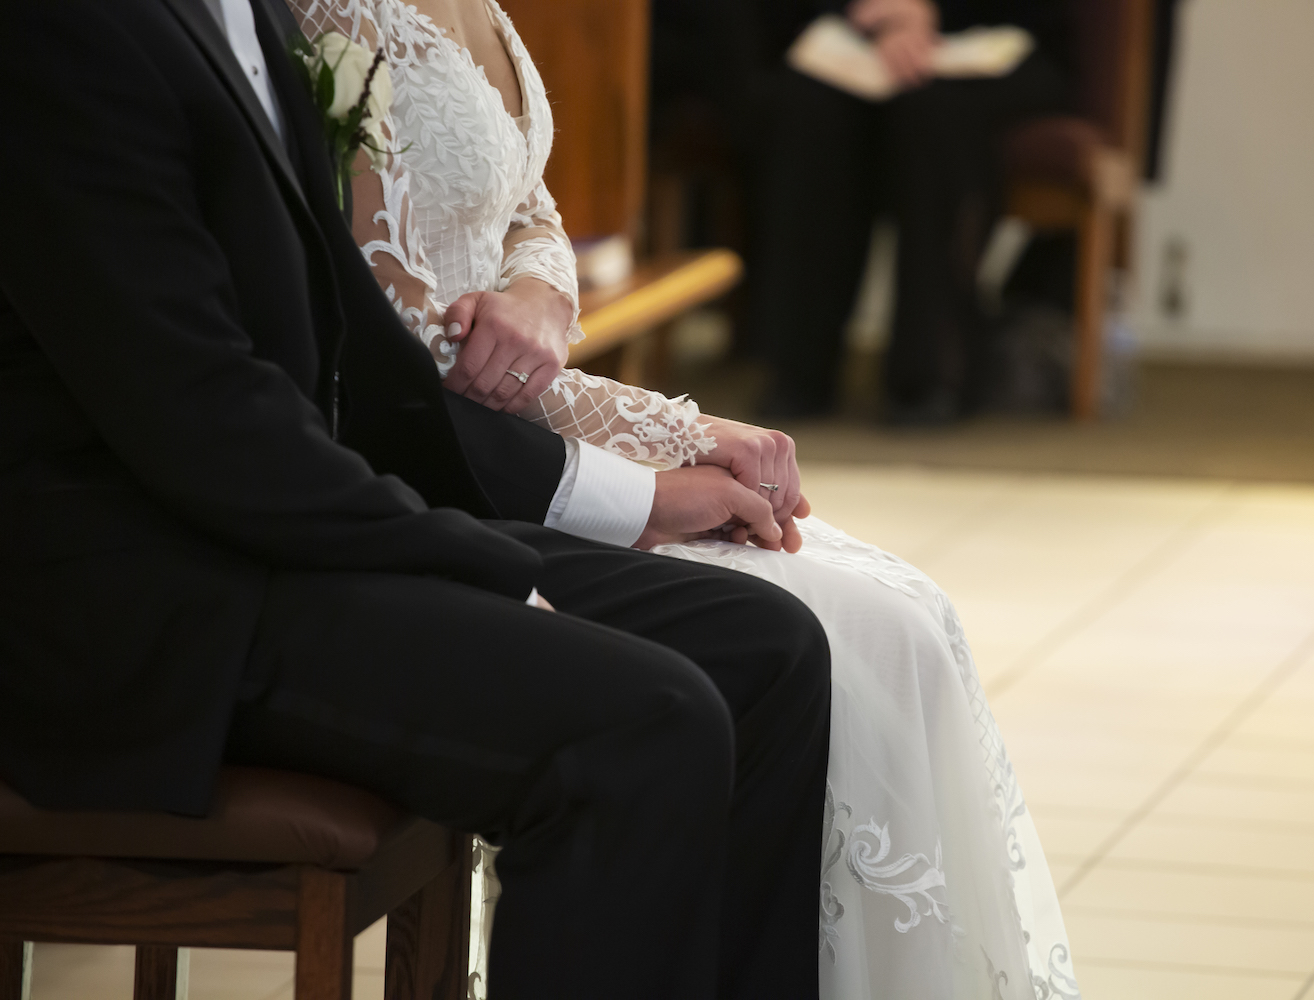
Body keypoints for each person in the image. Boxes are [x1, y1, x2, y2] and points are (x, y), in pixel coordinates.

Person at [0, 1, 833, 997]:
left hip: (271, 527)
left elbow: (356, 354)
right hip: (146, 594)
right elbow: (202, 413)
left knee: (767, 649)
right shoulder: (62, 28)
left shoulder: (246, 13)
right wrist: (470, 562)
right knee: (644, 725)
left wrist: (629, 494)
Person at [288, 1, 1081, 996]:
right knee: (840, 638)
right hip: (444, 471)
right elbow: (420, 362)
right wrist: (674, 444)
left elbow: (529, 216)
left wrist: (543, 295)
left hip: (515, 430)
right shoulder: (323, 23)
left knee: (909, 615)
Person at [746, 0, 1074, 422]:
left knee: (933, 112)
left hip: (996, 37)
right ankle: (797, 369)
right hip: (856, 36)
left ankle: (933, 369)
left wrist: (928, 14)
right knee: (810, 102)